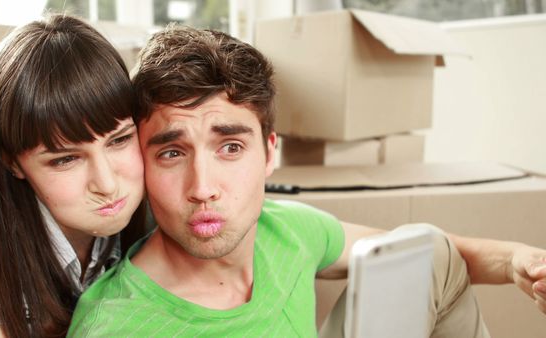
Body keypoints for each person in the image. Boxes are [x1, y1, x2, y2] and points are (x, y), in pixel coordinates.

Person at [68, 25, 546, 337]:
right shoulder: (114, 325)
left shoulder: (286, 230)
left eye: (230, 148)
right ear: (143, 162)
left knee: (427, 247)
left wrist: (518, 262)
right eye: (173, 153)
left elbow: (427, 256)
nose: (203, 187)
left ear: (270, 153)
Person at [0, 14, 146, 338]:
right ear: (11, 161)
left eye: (119, 140)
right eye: (65, 160)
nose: (107, 184)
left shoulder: (163, 209)